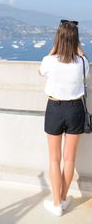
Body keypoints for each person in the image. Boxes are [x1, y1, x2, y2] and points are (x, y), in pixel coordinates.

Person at [39, 19, 90, 216]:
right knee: (69, 159)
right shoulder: (82, 62)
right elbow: (83, 58)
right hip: (75, 109)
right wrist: (77, 45)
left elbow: (40, 71)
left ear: (58, 38)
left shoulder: (50, 61)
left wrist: (55, 47)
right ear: (76, 40)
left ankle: (56, 204)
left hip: (54, 108)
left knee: (54, 159)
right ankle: (62, 199)